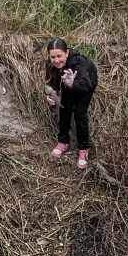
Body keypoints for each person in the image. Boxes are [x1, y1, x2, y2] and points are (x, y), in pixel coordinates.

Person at [45, 38, 98, 172]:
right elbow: (51, 81)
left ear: (67, 53)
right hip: (68, 83)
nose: (56, 60)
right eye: (53, 57)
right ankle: (63, 142)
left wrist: (73, 84)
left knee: (80, 113)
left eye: (59, 56)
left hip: (84, 85)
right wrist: (50, 95)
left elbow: (87, 86)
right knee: (64, 108)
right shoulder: (51, 64)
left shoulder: (80, 64)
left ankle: (83, 149)